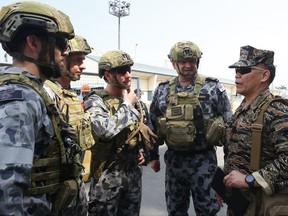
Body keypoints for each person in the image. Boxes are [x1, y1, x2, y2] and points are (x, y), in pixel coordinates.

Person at [0, 1, 76, 215]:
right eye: (60, 43)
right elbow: (6, 190)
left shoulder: (36, 92)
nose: (65, 52)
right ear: (33, 42)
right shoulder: (19, 99)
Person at [149, 40, 232, 216]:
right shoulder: (162, 91)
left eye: (192, 61)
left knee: (208, 210)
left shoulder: (213, 88)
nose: (188, 66)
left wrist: (229, 166)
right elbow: (153, 124)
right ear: (174, 64)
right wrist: (153, 156)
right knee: (176, 210)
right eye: (182, 62)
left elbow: (228, 127)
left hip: (204, 161)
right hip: (174, 162)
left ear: (197, 62)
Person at [85, 50, 156, 216]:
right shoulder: (96, 101)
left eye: (129, 70)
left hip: (132, 176)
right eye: (122, 71)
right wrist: (127, 105)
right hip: (107, 178)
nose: (128, 75)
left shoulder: (135, 103)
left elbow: (141, 133)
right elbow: (105, 131)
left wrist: (142, 153)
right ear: (108, 75)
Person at [222, 45, 288, 215]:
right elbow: (233, 152)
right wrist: (225, 186)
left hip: (263, 206)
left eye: (244, 69)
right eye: (236, 69)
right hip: (240, 203)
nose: (237, 74)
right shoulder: (242, 108)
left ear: (264, 75)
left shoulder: (276, 111)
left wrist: (249, 180)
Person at [44, 35, 95, 215]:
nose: (83, 66)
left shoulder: (70, 94)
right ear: (62, 61)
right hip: (56, 188)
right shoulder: (47, 92)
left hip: (75, 183)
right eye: (77, 60)